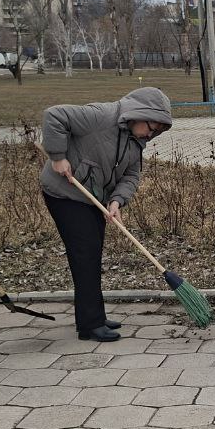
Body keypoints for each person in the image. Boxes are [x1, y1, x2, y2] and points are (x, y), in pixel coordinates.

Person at [40, 87, 174, 341]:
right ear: (139, 114)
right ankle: (90, 325)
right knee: (85, 254)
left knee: (91, 253)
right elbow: (54, 115)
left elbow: (131, 176)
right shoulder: (101, 116)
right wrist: (58, 156)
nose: (150, 134)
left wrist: (116, 201)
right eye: (151, 127)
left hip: (94, 198)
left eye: (156, 130)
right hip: (64, 193)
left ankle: (94, 316)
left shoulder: (136, 141)